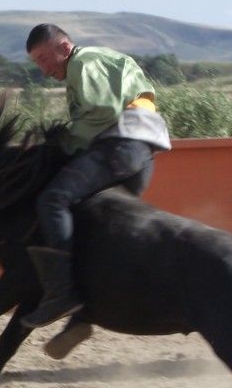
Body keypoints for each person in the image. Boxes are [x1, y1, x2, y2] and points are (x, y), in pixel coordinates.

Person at [23, 23, 171, 330]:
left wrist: (64, 143)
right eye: (37, 62)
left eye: (43, 58)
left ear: (63, 48)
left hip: (120, 142)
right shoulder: (96, 61)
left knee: (53, 200)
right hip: (141, 151)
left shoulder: (82, 61)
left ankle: (62, 293)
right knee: (97, 223)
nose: (42, 68)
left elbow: (103, 110)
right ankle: (88, 310)